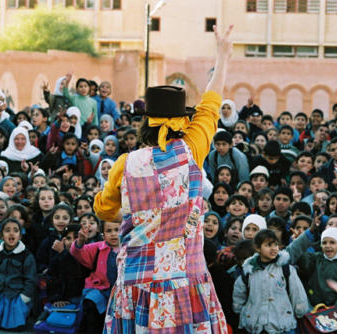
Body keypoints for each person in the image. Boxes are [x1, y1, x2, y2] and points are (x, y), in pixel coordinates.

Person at [92, 25, 233, 333]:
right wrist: (223, 56)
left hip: (135, 277)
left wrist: (135, 215)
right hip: (185, 276)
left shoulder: (124, 164)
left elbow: (104, 211)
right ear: (183, 121)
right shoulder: (193, 149)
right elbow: (211, 104)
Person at [232, 229, 310, 334]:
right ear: (257, 248)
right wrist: (245, 314)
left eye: (276, 244)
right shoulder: (249, 272)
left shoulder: (286, 269)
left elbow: (297, 294)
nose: (273, 249)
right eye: (268, 245)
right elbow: (239, 297)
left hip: (282, 325)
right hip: (255, 327)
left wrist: (300, 311)